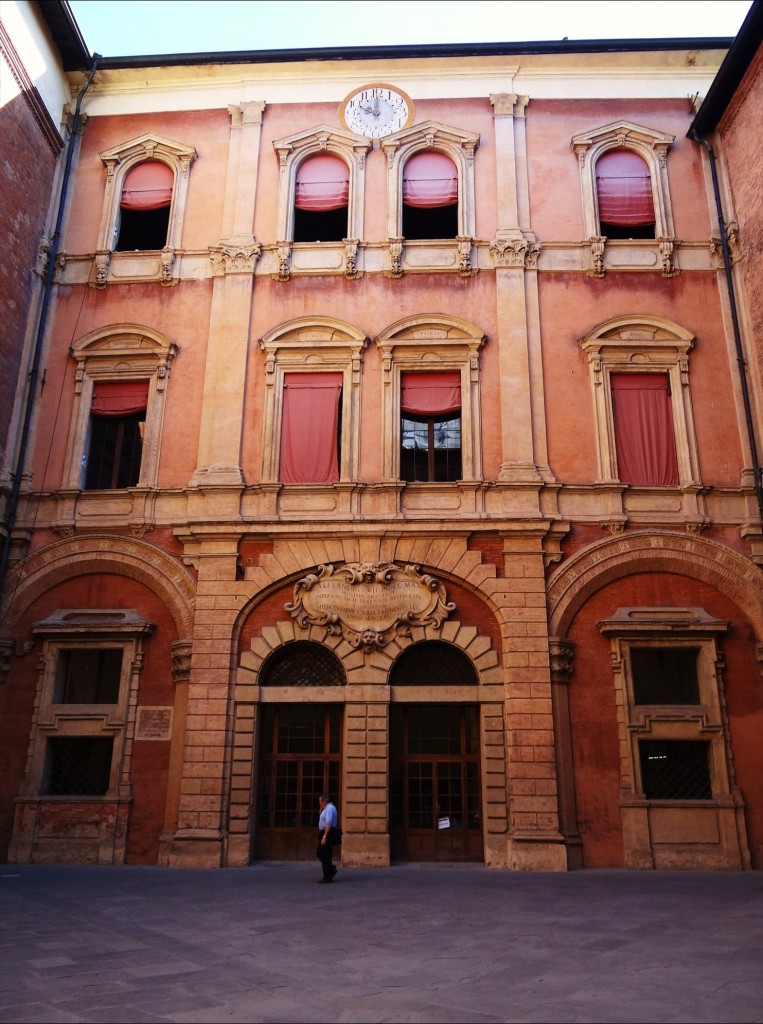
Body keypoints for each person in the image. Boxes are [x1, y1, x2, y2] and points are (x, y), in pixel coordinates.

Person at [316, 793, 338, 883]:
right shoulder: (327, 808)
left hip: (327, 833)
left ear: (324, 801)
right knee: (323, 854)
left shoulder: (329, 809)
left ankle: (328, 875)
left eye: (320, 802)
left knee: (323, 854)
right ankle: (330, 871)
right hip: (326, 833)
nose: (319, 803)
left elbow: (328, 823)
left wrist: (324, 836)